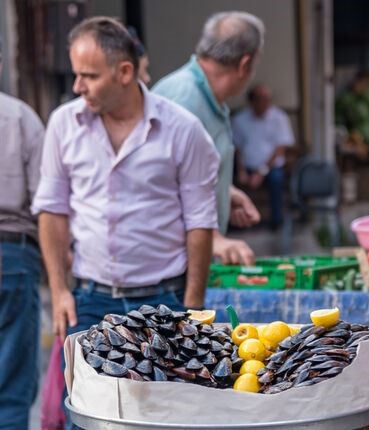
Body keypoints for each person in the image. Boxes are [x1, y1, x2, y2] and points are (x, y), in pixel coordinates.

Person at [33, 14, 219, 355]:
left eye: (89, 76)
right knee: (90, 406)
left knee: (167, 404)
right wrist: (59, 291)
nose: (78, 87)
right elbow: (52, 210)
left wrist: (191, 306)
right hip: (89, 300)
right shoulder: (63, 124)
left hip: (166, 300)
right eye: (76, 74)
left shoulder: (183, 130)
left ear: (124, 73)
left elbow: (200, 221)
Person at [153, 11, 263, 265]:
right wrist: (212, 237)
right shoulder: (184, 100)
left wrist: (226, 192)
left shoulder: (207, 97)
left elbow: (193, 172)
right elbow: (164, 183)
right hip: (169, 266)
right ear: (245, 64)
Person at [0, 36, 45, 429]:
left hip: (13, 254)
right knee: (12, 382)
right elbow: (45, 201)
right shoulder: (19, 116)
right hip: (12, 254)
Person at [233, 83, 294, 230]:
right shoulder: (240, 119)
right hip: (247, 166)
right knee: (230, 183)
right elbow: (236, 147)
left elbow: (280, 149)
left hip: (271, 167)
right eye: (261, 99)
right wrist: (241, 170)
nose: (265, 103)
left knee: (276, 179)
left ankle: (276, 222)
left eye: (267, 99)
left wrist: (261, 171)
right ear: (252, 101)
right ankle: (239, 222)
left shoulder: (279, 117)